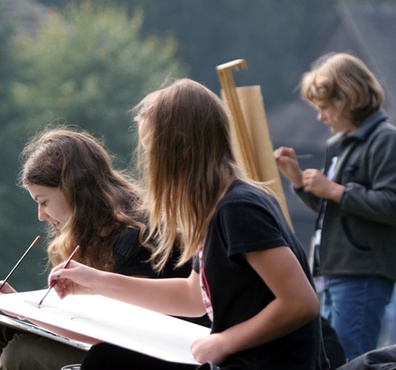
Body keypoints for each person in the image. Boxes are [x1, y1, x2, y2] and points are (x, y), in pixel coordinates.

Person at [49, 78, 329, 369]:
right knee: (104, 358)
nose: (150, 163)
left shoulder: (239, 208)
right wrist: (93, 281)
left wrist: (224, 342)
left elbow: (301, 303)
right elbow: (192, 295)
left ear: (177, 152)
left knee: (104, 363)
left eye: (153, 151)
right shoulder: (217, 209)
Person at [0, 127, 206, 370]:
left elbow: (121, 332)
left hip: (152, 357)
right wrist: (20, 307)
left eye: (44, 202)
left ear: (72, 191)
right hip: (111, 348)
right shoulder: (92, 235)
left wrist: (26, 313)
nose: (41, 215)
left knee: (20, 353)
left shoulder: (135, 238)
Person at [275, 52, 396, 360]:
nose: (320, 116)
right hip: (335, 270)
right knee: (333, 357)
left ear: (347, 99)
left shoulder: (387, 140)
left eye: (324, 107)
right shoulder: (339, 145)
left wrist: (335, 190)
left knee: (352, 359)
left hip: (363, 271)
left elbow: (393, 206)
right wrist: (298, 180)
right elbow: (336, 209)